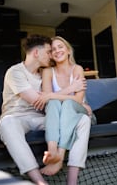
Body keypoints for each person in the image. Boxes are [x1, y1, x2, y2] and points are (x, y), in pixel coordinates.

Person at [0, 34, 89, 185]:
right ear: (36, 53)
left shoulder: (43, 73)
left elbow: (50, 102)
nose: (51, 55)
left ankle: (68, 173)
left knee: (82, 120)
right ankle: (40, 181)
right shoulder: (15, 72)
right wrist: (71, 89)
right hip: (16, 117)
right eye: (48, 51)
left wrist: (79, 104)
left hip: (41, 117)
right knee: (7, 125)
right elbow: (40, 100)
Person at [37, 36, 92, 184]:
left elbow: (78, 101)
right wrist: (71, 89)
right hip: (61, 115)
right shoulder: (48, 71)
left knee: (66, 104)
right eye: (53, 49)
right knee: (54, 103)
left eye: (60, 47)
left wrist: (54, 95)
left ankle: (59, 157)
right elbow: (48, 100)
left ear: (68, 50)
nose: (57, 51)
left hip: (79, 110)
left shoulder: (77, 69)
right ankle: (52, 149)